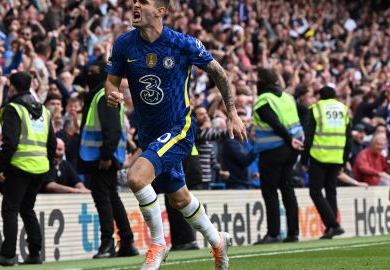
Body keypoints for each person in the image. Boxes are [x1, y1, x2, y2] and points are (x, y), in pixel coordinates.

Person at [105, 1, 246, 269]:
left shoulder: (182, 43)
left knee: (136, 177)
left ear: (160, 11)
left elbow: (219, 71)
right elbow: (111, 81)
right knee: (179, 197)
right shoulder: (124, 44)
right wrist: (110, 93)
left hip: (177, 129)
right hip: (148, 134)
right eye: (134, 1)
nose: (135, 5)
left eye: (143, 2)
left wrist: (232, 113)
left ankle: (158, 244)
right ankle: (217, 240)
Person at [0, 72, 57, 266]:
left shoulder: (13, 109)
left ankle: (7, 255)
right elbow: (52, 144)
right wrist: (46, 166)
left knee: (10, 209)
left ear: (12, 88)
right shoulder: (44, 111)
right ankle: (34, 253)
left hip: (19, 167)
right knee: (27, 209)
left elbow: (10, 142)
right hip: (40, 168)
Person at [78, 59, 138, 259]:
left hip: (102, 158)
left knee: (104, 199)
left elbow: (111, 128)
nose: (89, 75)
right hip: (104, 156)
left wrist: (105, 155)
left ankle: (107, 244)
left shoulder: (103, 94)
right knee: (112, 197)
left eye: (94, 71)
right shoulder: (102, 94)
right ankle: (127, 242)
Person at [252, 68, 304, 244]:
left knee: (270, 192)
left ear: (261, 81)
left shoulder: (263, 100)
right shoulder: (288, 98)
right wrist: (294, 141)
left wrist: (289, 139)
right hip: (292, 151)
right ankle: (293, 233)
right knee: (288, 190)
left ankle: (273, 233)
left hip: (273, 151)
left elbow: (274, 123)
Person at [301, 86, 352, 239]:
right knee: (331, 192)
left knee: (315, 192)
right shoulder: (343, 109)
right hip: (336, 156)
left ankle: (334, 225)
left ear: (320, 96)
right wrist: (344, 159)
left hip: (319, 155)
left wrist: (304, 159)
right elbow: (348, 137)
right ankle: (331, 227)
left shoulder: (316, 108)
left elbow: (309, 136)